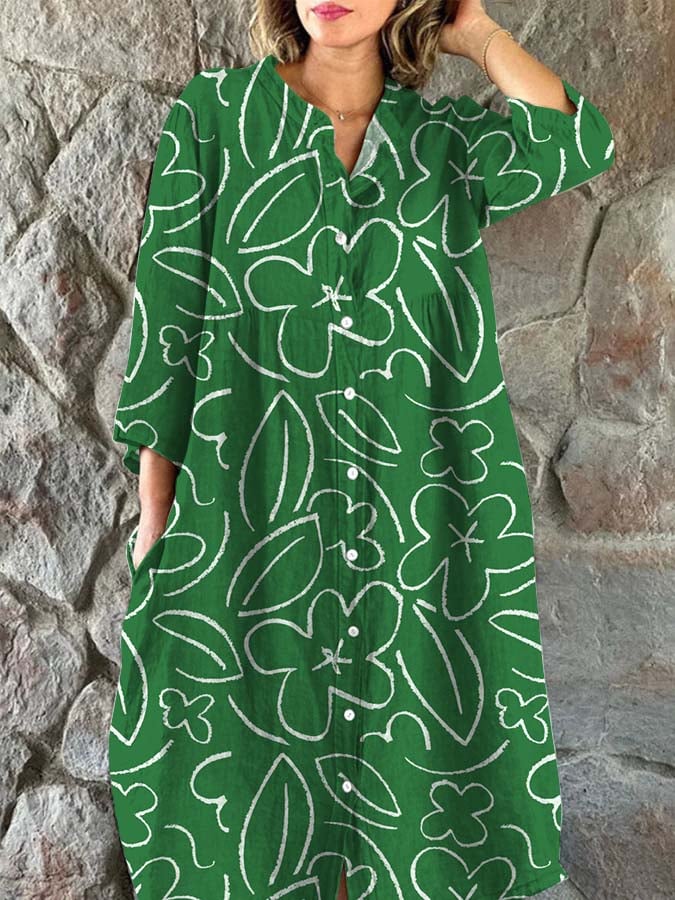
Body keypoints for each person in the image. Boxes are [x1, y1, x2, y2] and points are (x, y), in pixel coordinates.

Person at [108, 1, 615, 898]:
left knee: (410, 802)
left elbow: (575, 143)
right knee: (235, 805)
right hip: (249, 511)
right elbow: (167, 321)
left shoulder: (445, 145)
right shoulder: (215, 118)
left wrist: (477, 35)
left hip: (420, 512)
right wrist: (156, 520)